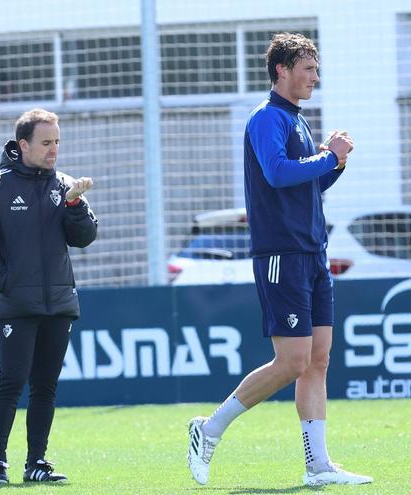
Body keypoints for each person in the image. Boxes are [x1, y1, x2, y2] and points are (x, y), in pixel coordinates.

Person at [187, 32, 372, 487]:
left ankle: (318, 466)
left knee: (318, 360)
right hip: (281, 255)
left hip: (313, 254)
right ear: (281, 70)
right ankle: (209, 429)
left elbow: (307, 184)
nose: (315, 77)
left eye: (316, 69)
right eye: (307, 68)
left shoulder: (296, 120)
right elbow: (276, 172)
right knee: (291, 361)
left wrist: (335, 163)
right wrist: (328, 157)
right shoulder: (267, 118)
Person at [0, 108, 98, 485]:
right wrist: (5, 281)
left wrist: (74, 204)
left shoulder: (65, 185)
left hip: (59, 305)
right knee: (10, 383)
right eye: (46, 142)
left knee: (45, 388)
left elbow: (84, 237)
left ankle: (36, 462)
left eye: (57, 142)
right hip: (15, 306)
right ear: (23, 145)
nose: (54, 149)